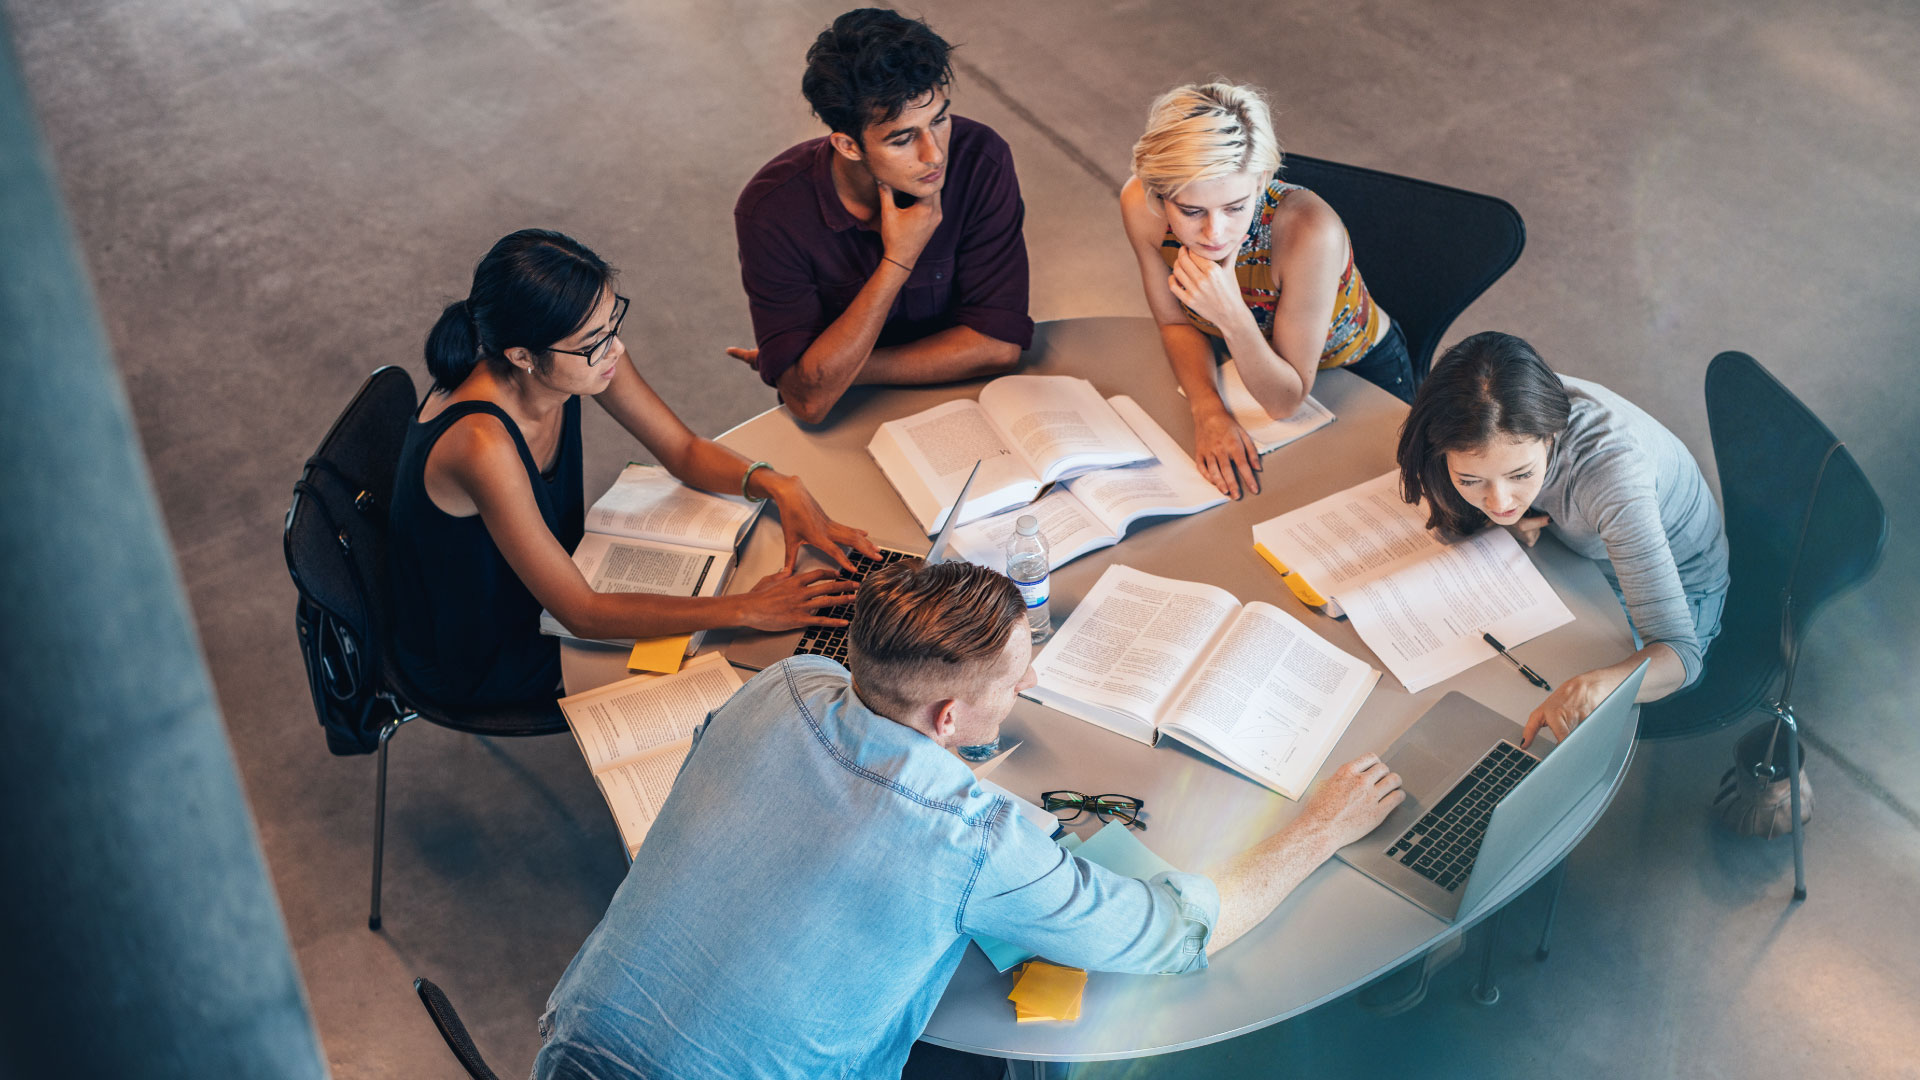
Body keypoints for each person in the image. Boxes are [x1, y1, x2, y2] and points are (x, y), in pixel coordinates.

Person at [532, 560, 1405, 1080]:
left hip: (568, 1050)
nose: (1026, 687)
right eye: (1017, 680)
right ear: (947, 719)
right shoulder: (979, 838)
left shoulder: (783, 683)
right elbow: (1176, 934)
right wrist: (1321, 826)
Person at [387, 229, 878, 709]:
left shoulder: (573, 356)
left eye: (612, 324)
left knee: (738, 617)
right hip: (486, 646)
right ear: (522, 357)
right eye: (594, 340)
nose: (615, 349)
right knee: (723, 672)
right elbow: (580, 613)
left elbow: (682, 448)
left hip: (552, 582)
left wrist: (777, 484)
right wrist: (748, 609)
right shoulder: (481, 443)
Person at [1396, 331, 1731, 746]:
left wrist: (1596, 687)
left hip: (1682, 585)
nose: (1499, 502)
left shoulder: (1613, 475)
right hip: (1584, 555)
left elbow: (1680, 656)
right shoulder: (1496, 406)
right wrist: (1514, 515)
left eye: (1520, 475)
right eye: (1470, 479)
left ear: (1551, 434)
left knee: (1517, 701)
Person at [726, 8, 1033, 424]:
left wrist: (834, 372)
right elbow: (809, 406)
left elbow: (997, 347)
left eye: (939, 120)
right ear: (848, 145)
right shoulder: (772, 213)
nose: (935, 154)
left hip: (969, 405)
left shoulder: (981, 159)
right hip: (847, 422)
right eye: (903, 139)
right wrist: (898, 260)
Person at [1120, 81, 1415, 500]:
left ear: (1260, 181)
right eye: (1190, 210)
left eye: (1235, 207)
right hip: (1244, 363)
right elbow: (1173, 321)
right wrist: (1207, 409)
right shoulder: (1140, 205)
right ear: (1159, 192)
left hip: (1355, 371)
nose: (1213, 233)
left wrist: (1230, 314)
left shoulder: (1310, 231)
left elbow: (1285, 401)